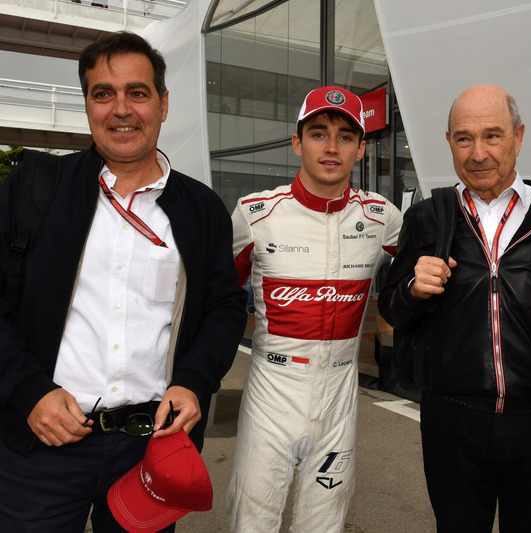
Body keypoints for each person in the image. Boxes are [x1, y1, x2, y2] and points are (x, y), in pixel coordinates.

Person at [0, 31, 246, 532]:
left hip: (148, 448)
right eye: (103, 93)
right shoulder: (32, 188)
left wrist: (194, 382)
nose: (121, 109)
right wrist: (27, 391)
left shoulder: (200, 209)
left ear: (163, 102)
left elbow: (225, 308)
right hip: (42, 443)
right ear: (87, 104)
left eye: (137, 92)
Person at [378, 83, 531, 532]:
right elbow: (392, 309)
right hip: (451, 421)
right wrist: (414, 288)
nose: (478, 153)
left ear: (519, 136)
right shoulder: (428, 216)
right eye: (464, 139)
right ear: (449, 141)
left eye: (492, 136)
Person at [226, 86, 402, 532]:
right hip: (273, 387)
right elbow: (212, 301)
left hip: (340, 393)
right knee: (251, 520)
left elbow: (426, 279)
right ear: (297, 141)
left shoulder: (383, 217)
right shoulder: (254, 214)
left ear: (361, 149)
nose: (331, 147)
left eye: (345, 137)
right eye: (319, 133)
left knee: (324, 524)